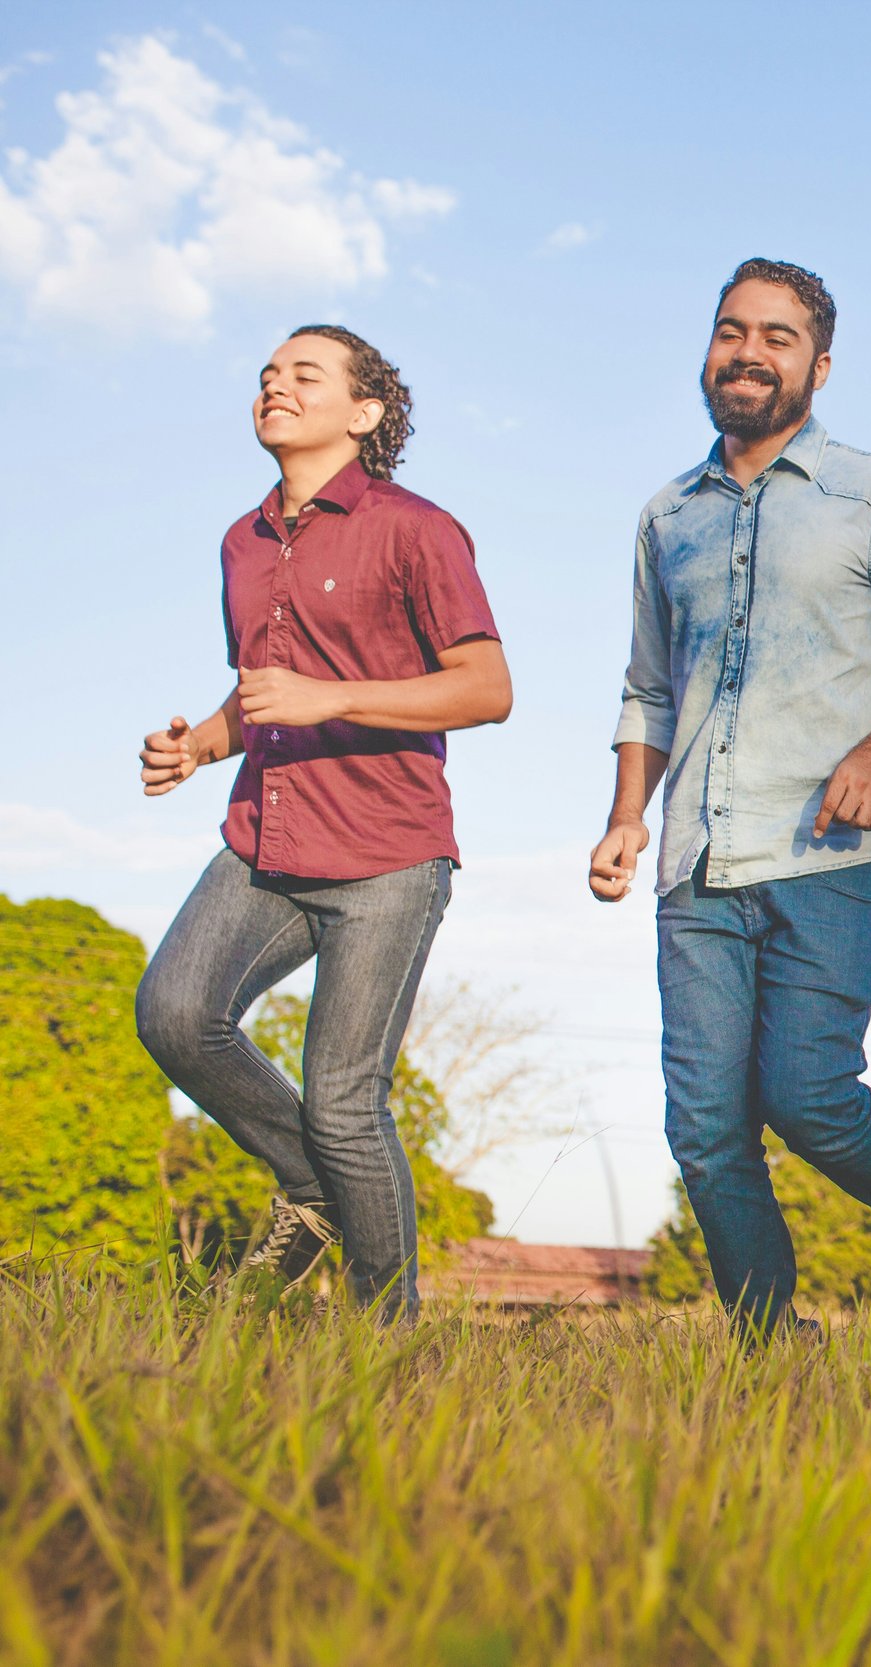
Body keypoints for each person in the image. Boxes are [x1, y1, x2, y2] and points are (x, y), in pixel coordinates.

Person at [588, 259, 871, 1345]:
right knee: (707, 1125)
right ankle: (770, 1346)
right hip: (696, 860)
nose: (748, 353)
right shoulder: (666, 515)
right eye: (730, 330)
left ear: (818, 362)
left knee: (807, 1092)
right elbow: (647, 687)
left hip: (831, 853)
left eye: (776, 335)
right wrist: (627, 815)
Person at [134, 326, 512, 1321]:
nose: (275, 385)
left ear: (364, 412)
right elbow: (261, 690)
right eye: (266, 375)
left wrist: (328, 698)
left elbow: (486, 687)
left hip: (387, 855)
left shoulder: (418, 528)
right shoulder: (241, 540)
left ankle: (386, 1334)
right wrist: (200, 745)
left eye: (305, 374)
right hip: (265, 837)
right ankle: (312, 1188)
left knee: (346, 1099)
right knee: (174, 1012)